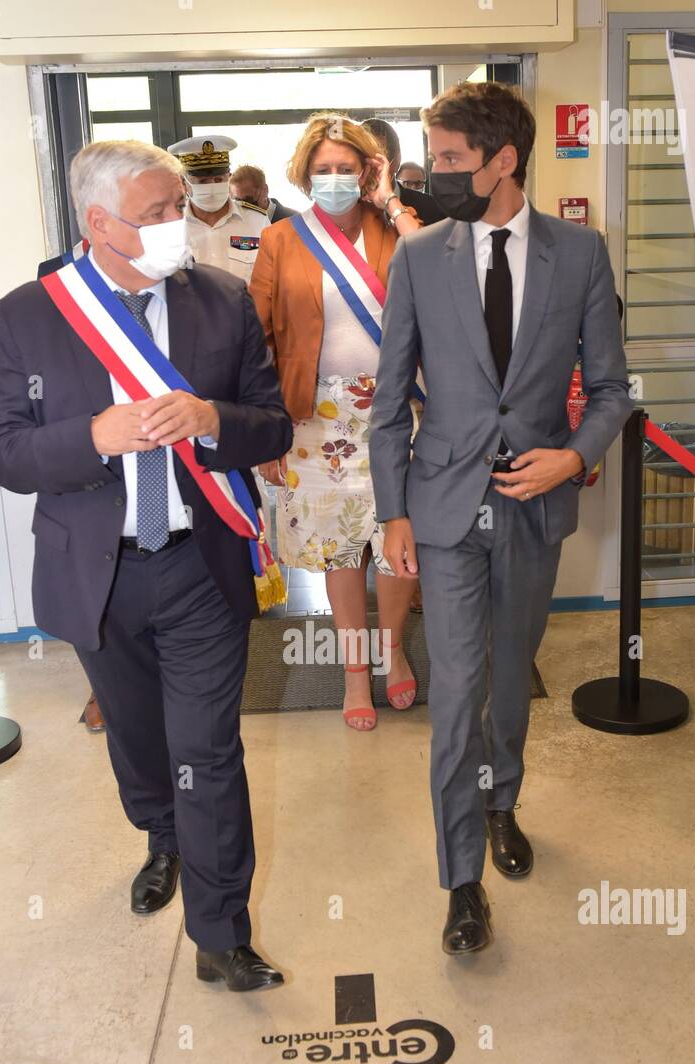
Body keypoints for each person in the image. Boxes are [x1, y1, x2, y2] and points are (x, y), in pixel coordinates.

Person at [0, 140, 293, 993]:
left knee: (209, 748)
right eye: (154, 215)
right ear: (98, 222)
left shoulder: (221, 301)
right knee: (143, 740)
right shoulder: (29, 315)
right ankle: (161, 836)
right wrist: (94, 438)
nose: (173, 228)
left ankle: (222, 932)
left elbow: (273, 426)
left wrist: (210, 417)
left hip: (200, 565)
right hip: (99, 573)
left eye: (176, 210)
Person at [369, 83, 632, 955]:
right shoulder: (417, 258)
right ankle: (461, 883)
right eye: (434, 157)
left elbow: (608, 390)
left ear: (502, 160)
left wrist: (576, 454)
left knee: (511, 674)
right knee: (455, 691)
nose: (433, 174)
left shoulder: (581, 255)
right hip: (442, 505)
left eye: (448, 160)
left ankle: (501, 804)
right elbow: (386, 404)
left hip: (533, 503)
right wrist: (392, 513)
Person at [248, 113, 423, 730]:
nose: (334, 179)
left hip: (400, 411)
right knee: (341, 548)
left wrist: (391, 202)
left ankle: (392, 647)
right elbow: (259, 338)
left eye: (346, 169)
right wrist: (267, 428)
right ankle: (355, 667)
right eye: (323, 170)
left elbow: (440, 277)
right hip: (314, 417)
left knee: (399, 543)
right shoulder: (282, 240)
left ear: (368, 171)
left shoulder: (399, 230)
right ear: (304, 174)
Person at [168, 134, 269, 283]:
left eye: (218, 179)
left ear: (229, 177)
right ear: (184, 183)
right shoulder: (170, 226)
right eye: (202, 181)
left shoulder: (257, 222)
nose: (212, 186)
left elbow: (273, 277)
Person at [362, 118, 445, 228]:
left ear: (397, 161)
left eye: (379, 162)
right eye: (363, 160)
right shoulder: (345, 208)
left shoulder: (432, 209)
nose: (370, 170)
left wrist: (390, 201)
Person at [230, 163, 298, 223]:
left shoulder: (295, 221)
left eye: (248, 201)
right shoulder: (233, 222)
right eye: (237, 201)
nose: (243, 207)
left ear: (265, 190)